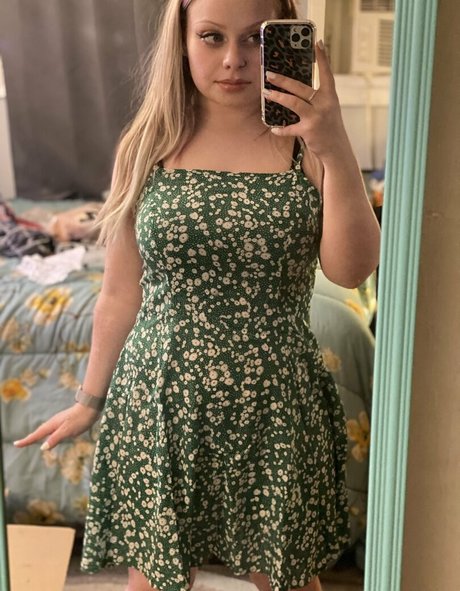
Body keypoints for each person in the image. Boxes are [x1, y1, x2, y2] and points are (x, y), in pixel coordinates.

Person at [14, 0, 380, 589]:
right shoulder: (147, 145)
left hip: (276, 406)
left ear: (284, 39)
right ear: (181, 41)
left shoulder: (308, 144)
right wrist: (89, 399)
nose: (234, 59)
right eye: (212, 37)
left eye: (255, 39)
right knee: (154, 579)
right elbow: (119, 293)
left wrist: (334, 145)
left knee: (285, 578)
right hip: (159, 401)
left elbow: (350, 270)